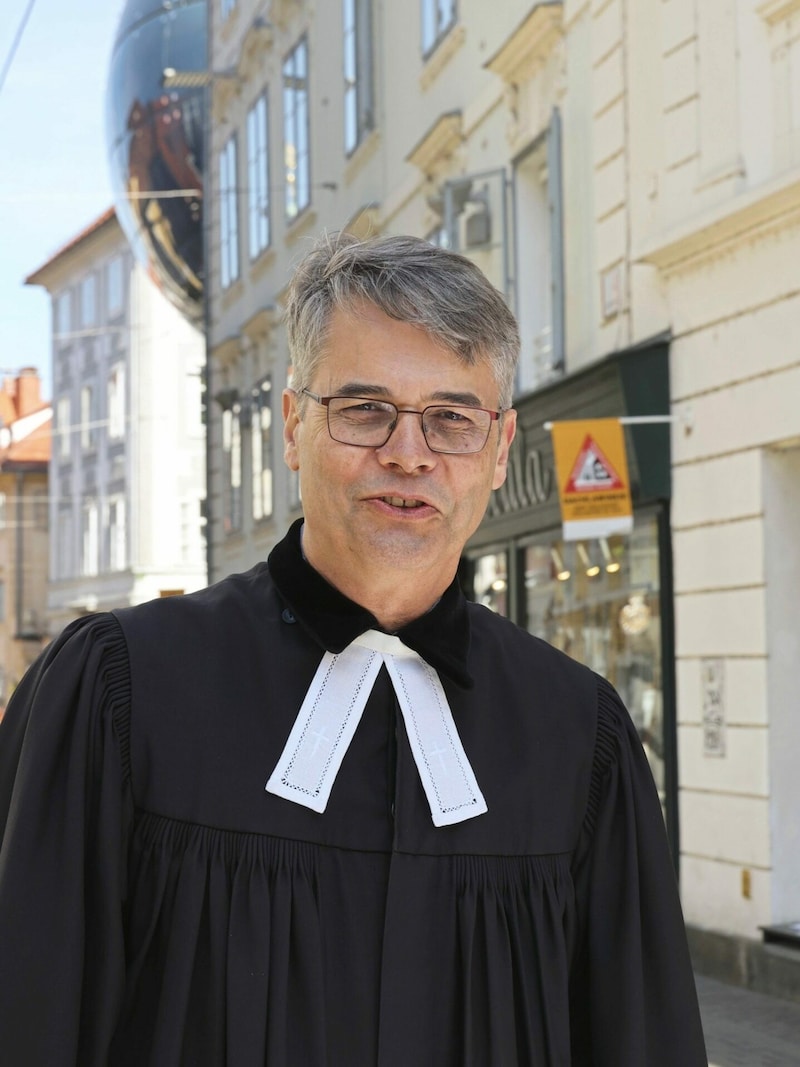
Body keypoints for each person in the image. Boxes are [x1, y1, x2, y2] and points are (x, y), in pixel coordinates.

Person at [0, 232, 707, 1065]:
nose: (408, 454)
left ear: (498, 449)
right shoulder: (120, 692)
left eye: (451, 418)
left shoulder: (578, 736)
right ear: (295, 425)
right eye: (365, 409)